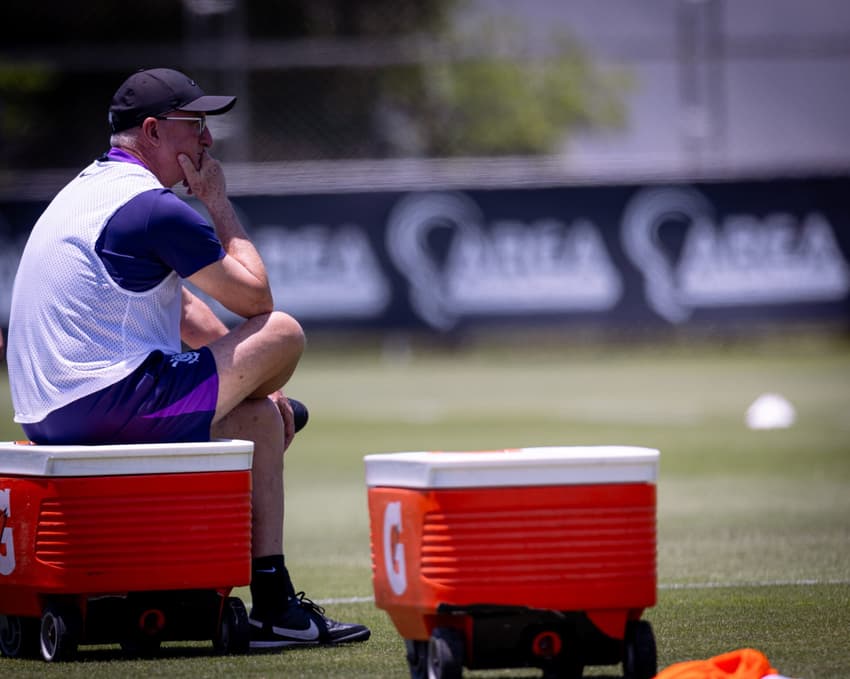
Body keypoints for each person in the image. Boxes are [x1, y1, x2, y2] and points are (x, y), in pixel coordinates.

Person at [6, 68, 369, 650]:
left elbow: (182, 315)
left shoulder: (88, 189)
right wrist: (219, 205)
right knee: (283, 333)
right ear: (151, 131)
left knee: (254, 421)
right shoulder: (155, 208)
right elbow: (257, 299)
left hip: (49, 410)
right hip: (108, 402)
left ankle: (275, 603)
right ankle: (272, 602)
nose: (207, 140)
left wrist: (243, 382)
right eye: (194, 126)